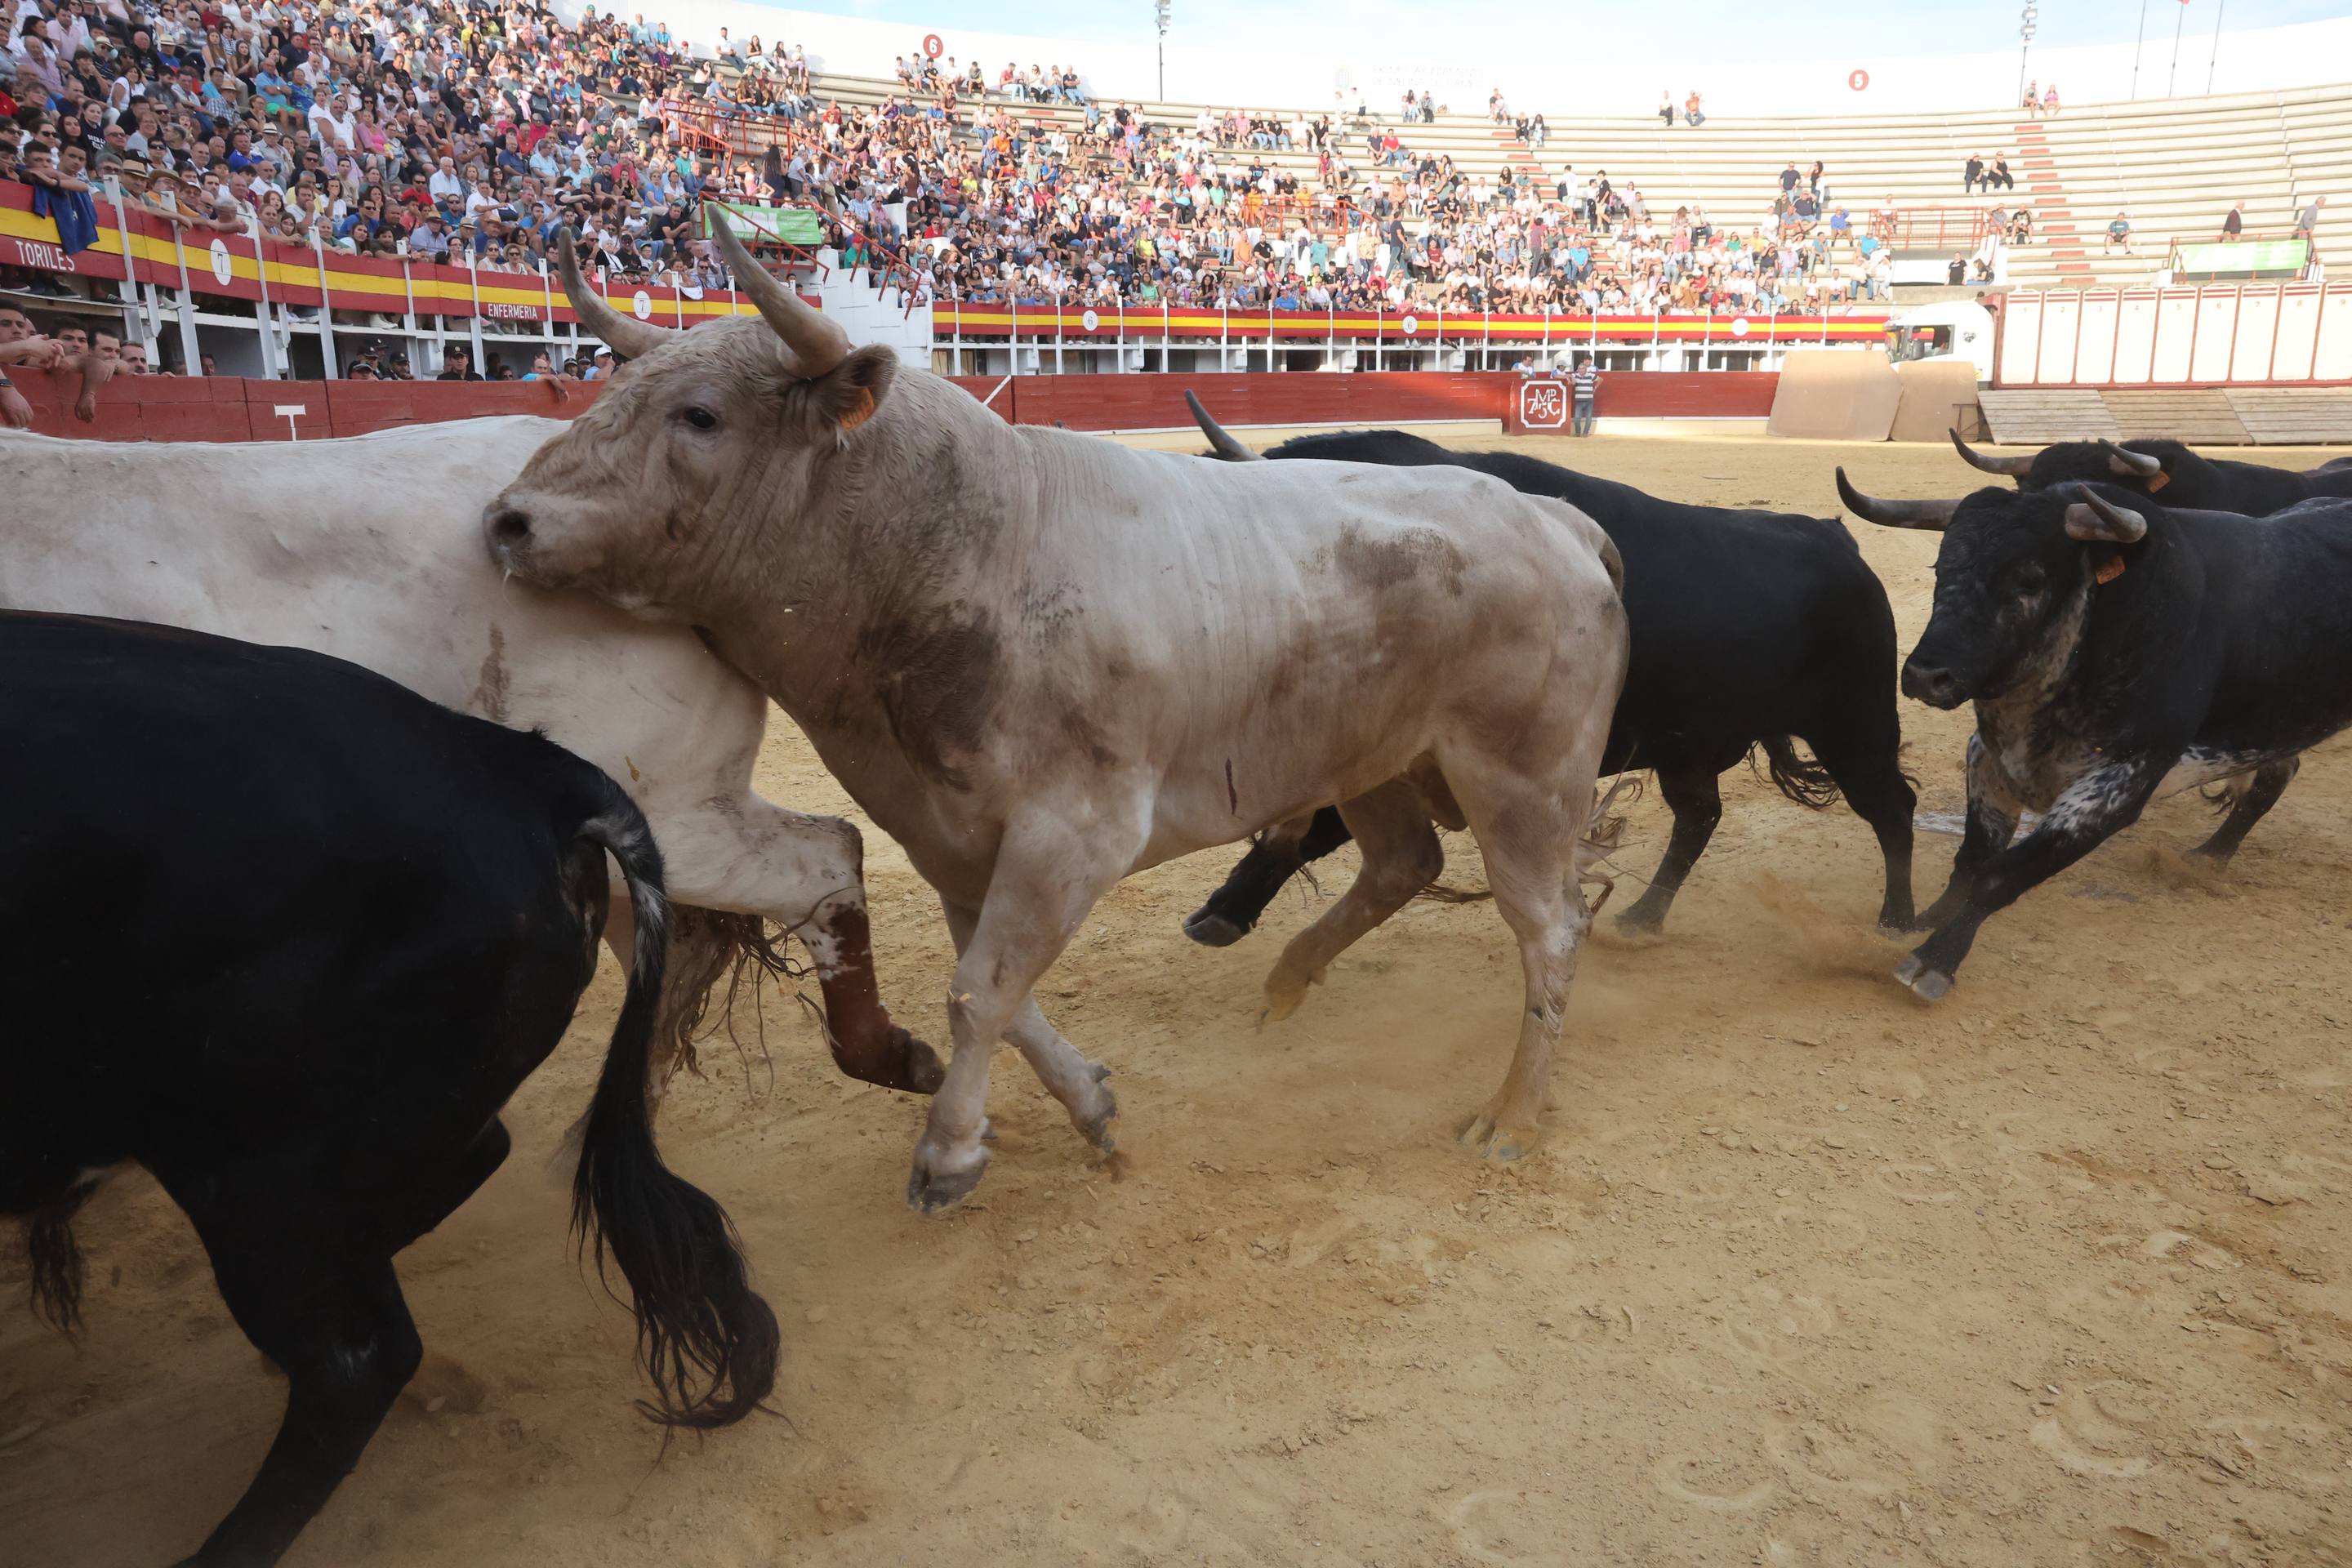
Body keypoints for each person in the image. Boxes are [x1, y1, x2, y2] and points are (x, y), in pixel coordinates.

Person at [1570, 355, 1598, 437]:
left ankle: (1585, 433)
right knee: (1577, 418)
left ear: (1585, 369)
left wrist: (1596, 387)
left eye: (1583, 368)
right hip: (1579, 400)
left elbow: (1600, 379)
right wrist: (1571, 378)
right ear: (1578, 369)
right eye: (1580, 368)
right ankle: (1578, 432)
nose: (1581, 370)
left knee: (1588, 417)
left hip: (1589, 399)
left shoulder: (1591, 375)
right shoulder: (1575, 375)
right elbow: (1571, 379)